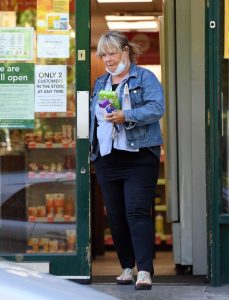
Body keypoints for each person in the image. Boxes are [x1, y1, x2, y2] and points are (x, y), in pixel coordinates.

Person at [89, 31, 164, 290]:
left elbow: (157, 108)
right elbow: (94, 118)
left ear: (125, 51)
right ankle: (126, 267)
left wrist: (126, 115)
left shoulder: (145, 77)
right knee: (117, 216)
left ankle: (144, 271)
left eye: (112, 53)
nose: (107, 59)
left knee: (137, 212)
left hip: (139, 156)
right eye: (103, 55)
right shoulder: (101, 83)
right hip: (108, 157)